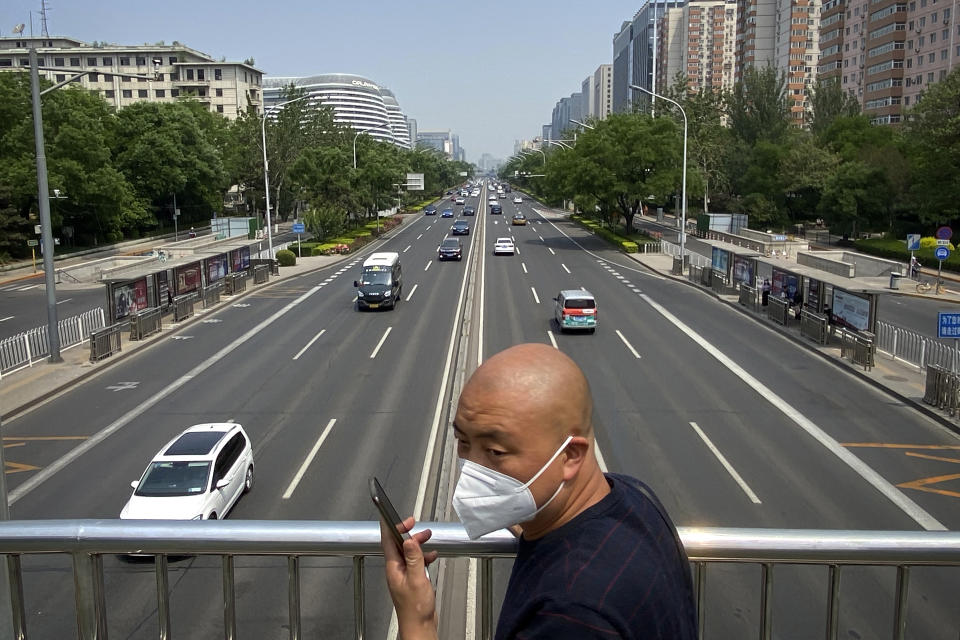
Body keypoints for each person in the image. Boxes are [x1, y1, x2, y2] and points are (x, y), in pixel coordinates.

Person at [380, 344, 697, 640]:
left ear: (570, 456)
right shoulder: (634, 497)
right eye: (463, 442)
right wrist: (511, 513)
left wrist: (417, 620)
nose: (470, 468)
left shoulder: (570, 615)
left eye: (494, 451)